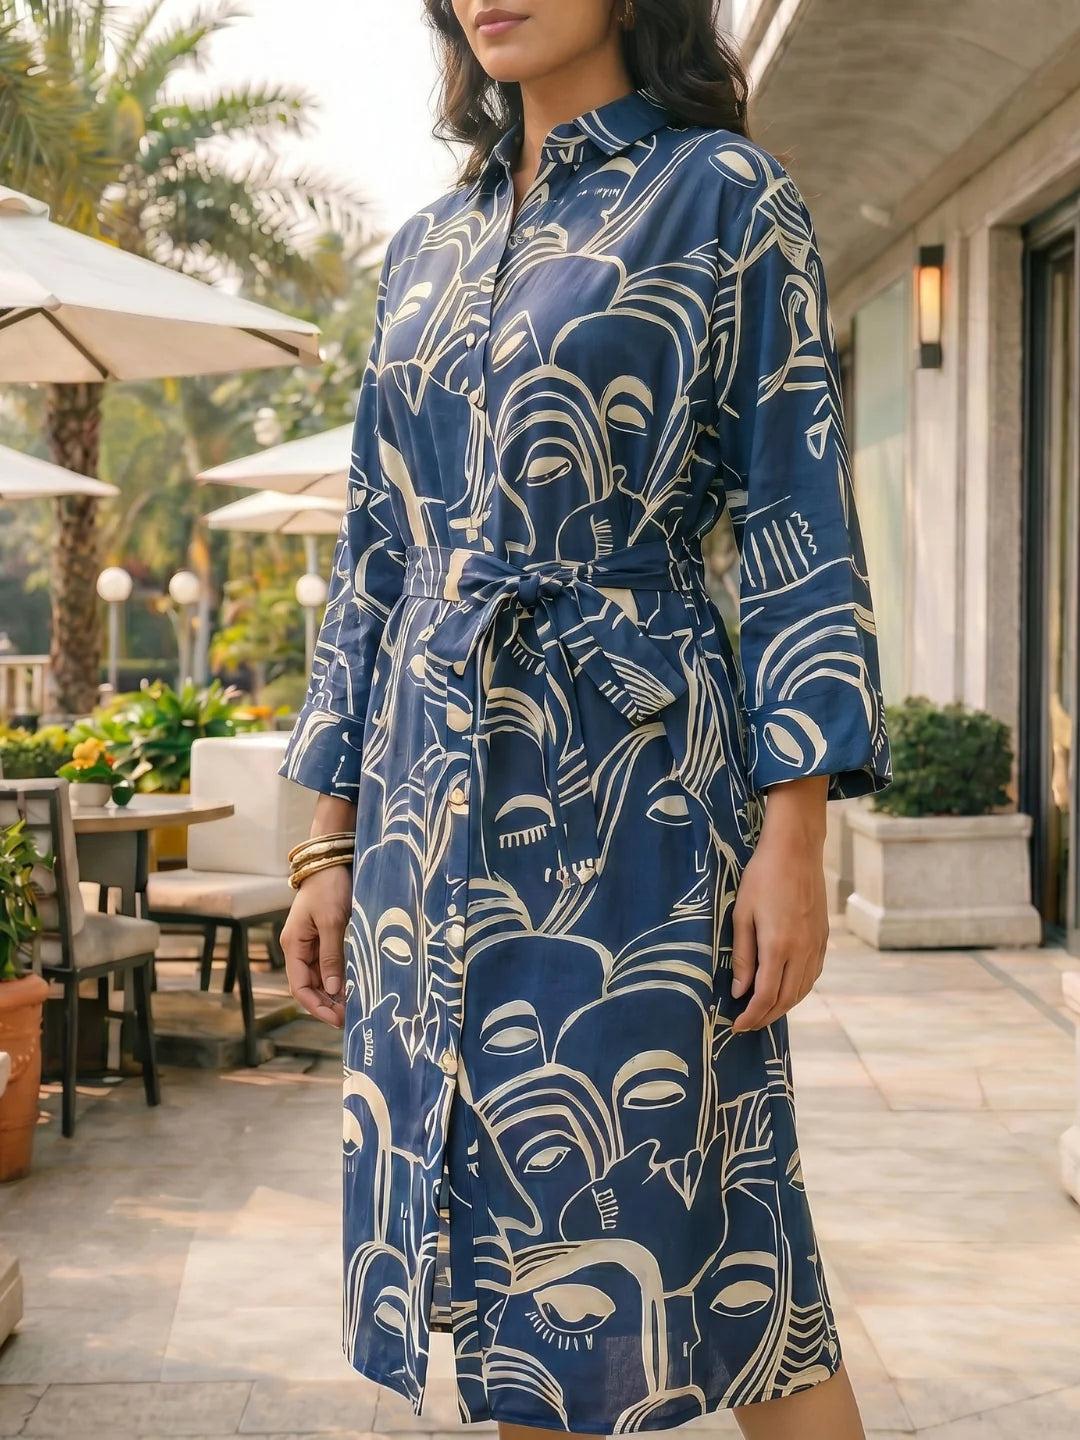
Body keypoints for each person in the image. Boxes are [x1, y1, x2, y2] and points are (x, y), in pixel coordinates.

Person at [279, 1, 892, 1437]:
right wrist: (327, 839)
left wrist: (794, 832)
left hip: (630, 799)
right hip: (429, 810)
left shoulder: (722, 194)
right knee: (522, 1283)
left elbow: (798, 512)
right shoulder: (426, 245)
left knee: (709, 1241)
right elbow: (376, 552)